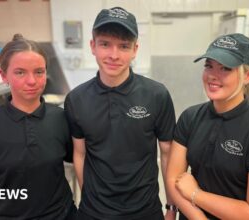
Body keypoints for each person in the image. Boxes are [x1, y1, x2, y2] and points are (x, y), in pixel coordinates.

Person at [64, 7, 176, 220]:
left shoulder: (156, 95)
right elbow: (80, 154)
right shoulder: (76, 99)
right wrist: (89, 198)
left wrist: (171, 207)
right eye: (105, 44)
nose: (114, 55)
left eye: (123, 46)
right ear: (93, 46)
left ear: (135, 49)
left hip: (145, 210)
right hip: (94, 213)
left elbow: (168, 154)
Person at [0, 34, 76, 220]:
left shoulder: (61, 118)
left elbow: (81, 159)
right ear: (4, 76)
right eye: (20, 72)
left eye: (39, 72)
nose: (32, 81)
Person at [166, 33, 249, 220]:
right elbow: (174, 179)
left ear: (248, 76)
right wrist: (198, 217)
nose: (212, 75)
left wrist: (196, 194)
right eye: (208, 66)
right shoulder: (191, 117)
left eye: (225, 68)